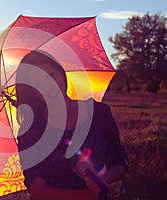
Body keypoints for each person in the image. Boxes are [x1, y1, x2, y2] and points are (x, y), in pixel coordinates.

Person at [15, 50, 128, 200]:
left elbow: (120, 165)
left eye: (50, 75)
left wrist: (97, 176)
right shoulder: (30, 130)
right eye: (38, 83)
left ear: (62, 74)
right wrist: (85, 196)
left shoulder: (99, 113)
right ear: (32, 92)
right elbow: (35, 185)